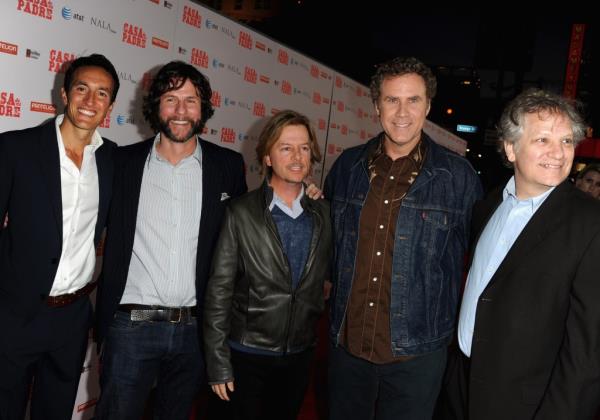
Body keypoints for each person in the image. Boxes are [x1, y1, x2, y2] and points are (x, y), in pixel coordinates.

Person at [324, 56, 482, 420]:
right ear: (376, 104)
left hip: (418, 355)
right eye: (392, 99)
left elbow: (479, 261)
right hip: (348, 347)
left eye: (413, 100)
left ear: (428, 105)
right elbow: (330, 241)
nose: (402, 112)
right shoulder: (347, 166)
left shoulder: (457, 177)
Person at [94, 61, 247, 419]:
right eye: (171, 99)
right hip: (130, 327)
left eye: (191, 100)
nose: (181, 111)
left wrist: (307, 194)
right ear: (155, 106)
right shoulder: (122, 162)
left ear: (203, 108)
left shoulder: (227, 165)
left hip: (196, 332)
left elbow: (250, 229)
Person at [455, 89, 600, 419]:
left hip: (526, 404)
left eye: (566, 141)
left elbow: (588, 353)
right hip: (461, 384)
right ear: (510, 147)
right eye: (543, 140)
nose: (558, 153)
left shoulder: (591, 224)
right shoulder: (490, 204)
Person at [0, 53, 119, 419]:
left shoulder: (113, 159)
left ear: (110, 106)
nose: (90, 101)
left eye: (102, 94)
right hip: (15, 313)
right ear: (65, 94)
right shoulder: (16, 148)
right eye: (82, 89)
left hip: (72, 318)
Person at [203, 110, 332, 420]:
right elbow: (219, 292)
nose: (298, 156)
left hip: (298, 357)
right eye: (286, 147)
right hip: (246, 355)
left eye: (304, 147)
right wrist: (218, 362)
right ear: (268, 157)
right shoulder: (241, 212)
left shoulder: (324, 213)